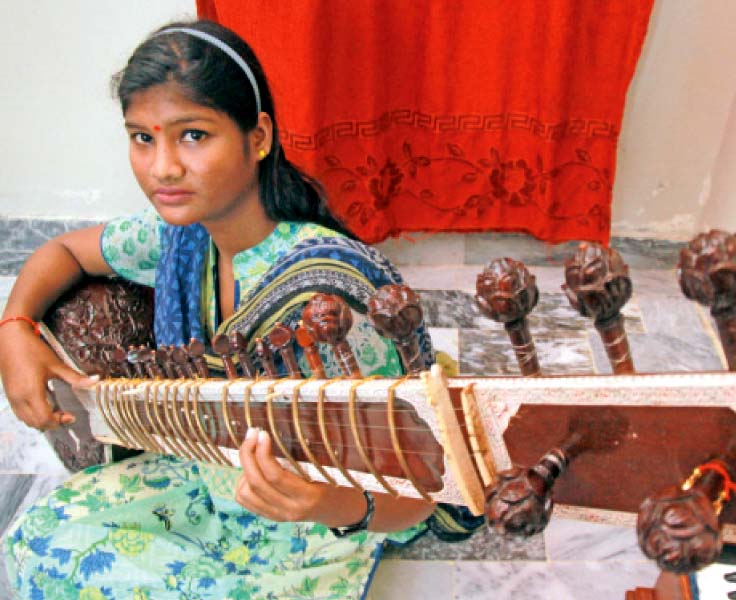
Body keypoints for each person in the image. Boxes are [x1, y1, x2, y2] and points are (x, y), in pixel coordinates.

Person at [0, 20, 439, 599]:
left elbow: (424, 487)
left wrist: (328, 502)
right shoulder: (180, 240)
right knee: (35, 541)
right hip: (202, 473)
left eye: (193, 136)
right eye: (142, 138)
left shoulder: (332, 292)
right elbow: (62, 251)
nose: (162, 168)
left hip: (307, 525)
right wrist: (14, 329)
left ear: (257, 138)